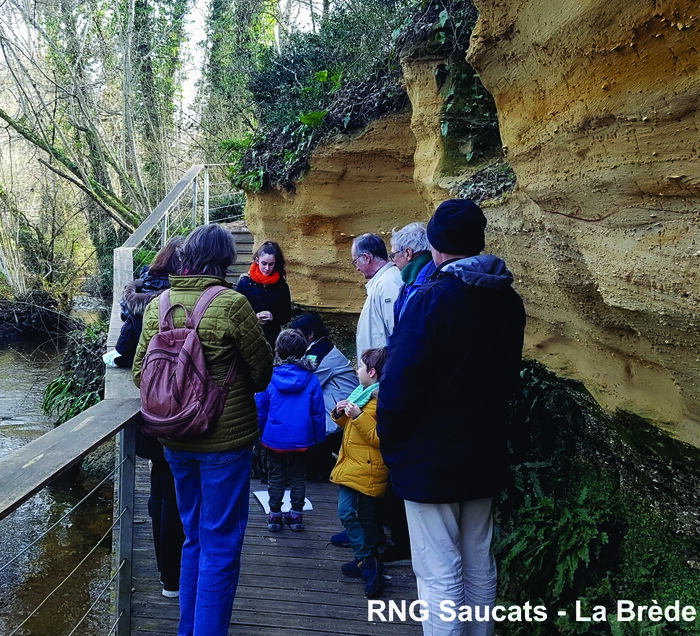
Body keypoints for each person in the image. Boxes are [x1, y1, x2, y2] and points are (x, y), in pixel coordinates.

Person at [377, 199, 526, 636]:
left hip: (430, 460)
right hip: (483, 452)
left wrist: (390, 441)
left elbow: (399, 387)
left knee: (439, 572)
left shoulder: (430, 300)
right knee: (480, 560)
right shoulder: (508, 301)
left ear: (435, 246)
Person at [133, 223, 273, 636]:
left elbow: (141, 374)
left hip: (174, 438)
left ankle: (188, 629)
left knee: (193, 537)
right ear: (226, 259)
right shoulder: (232, 304)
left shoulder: (158, 304)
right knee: (221, 545)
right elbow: (262, 374)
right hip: (225, 443)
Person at [107, 236, 185, 598]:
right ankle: (177, 574)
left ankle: (167, 576)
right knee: (177, 490)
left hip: (152, 408)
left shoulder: (139, 298)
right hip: (187, 408)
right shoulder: (185, 301)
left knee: (160, 485)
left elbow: (126, 350)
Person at [330, 347, 390, 598]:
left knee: (351, 513)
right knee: (362, 516)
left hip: (366, 469)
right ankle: (367, 558)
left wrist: (359, 416)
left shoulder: (380, 403)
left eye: (361, 367)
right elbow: (350, 427)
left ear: (372, 372)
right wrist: (340, 413)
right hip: (354, 467)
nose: (356, 370)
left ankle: (367, 561)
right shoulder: (362, 395)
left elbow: (380, 438)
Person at [256, 329, 326, 533]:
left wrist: (258, 433)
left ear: (277, 349)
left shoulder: (269, 377)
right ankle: (296, 516)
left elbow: (261, 409)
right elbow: (318, 412)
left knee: (276, 475)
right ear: (304, 350)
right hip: (302, 439)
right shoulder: (311, 379)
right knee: (298, 476)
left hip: (274, 439)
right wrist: (319, 437)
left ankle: (274, 516)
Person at [288, 313, 359, 482]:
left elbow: (303, 384)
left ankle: (319, 469)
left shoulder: (321, 355)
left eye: (297, 334)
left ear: (310, 334)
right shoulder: (319, 349)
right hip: (337, 405)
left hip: (339, 411)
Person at [351, 233, 402, 364]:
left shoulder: (388, 283)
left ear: (366, 258)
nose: (356, 268)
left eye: (355, 261)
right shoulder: (384, 281)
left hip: (384, 370)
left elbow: (398, 332)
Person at [235, 240, 292, 348]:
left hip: (271, 339)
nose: (267, 268)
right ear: (257, 260)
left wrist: (272, 317)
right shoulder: (244, 283)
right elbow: (234, 312)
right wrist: (253, 317)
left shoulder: (282, 286)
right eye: (264, 263)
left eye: (271, 264)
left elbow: (286, 315)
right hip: (247, 337)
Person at [389, 221, 436, 325]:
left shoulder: (427, 284)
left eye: (393, 255)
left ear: (408, 253)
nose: (392, 262)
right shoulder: (415, 281)